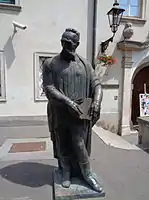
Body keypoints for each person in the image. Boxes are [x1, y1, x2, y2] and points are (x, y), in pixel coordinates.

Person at [42, 28, 103, 192]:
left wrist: (96, 101)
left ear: (77, 44)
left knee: (79, 143)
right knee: (62, 143)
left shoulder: (85, 64)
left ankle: (87, 173)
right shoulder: (50, 64)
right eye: (64, 41)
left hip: (79, 113)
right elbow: (48, 87)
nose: (66, 45)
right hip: (60, 111)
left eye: (70, 43)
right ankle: (66, 171)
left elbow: (96, 84)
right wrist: (68, 102)